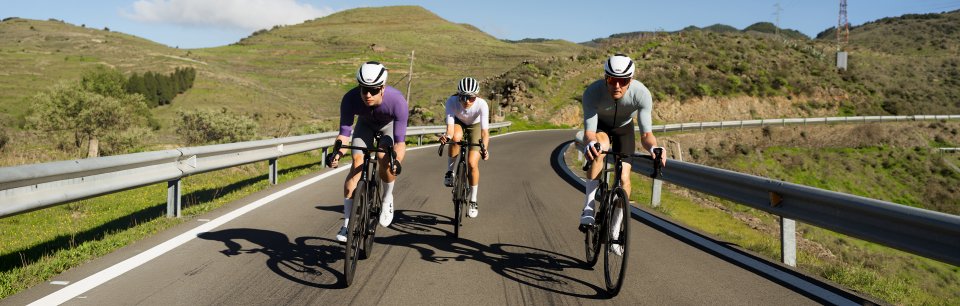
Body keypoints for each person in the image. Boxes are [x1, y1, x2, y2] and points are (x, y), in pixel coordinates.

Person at [580, 54, 667, 254]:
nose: (617, 85)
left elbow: (647, 134)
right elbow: (589, 133)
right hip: (600, 127)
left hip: (624, 130)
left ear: (631, 80)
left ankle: (614, 231)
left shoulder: (641, 94)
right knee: (599, 147)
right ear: (605, 78)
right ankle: (589, 207)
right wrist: (590, 143)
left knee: (625, 178)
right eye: (612, 80)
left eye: (623, 81)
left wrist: (654, 148)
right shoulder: (593, 92)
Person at [328, 61, 408, 242]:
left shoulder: (397, 101)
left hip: (388, 127)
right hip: (365, 125)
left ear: (382, 88)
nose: (368, 95)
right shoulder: (350, 98)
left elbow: (400, 142)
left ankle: (387, 199)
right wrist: (337, 154)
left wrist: (396, 162)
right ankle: (347, 224)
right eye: (364, 89)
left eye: (373, 90)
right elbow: (344, 133)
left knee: (384, 158)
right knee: (357, 162)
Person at [439, 77, 490, 218]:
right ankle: (450, 172)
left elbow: (485, 132)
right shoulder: (451, 101)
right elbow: (450, 129)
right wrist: (446, 137)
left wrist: (484, 149)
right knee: (456, 138)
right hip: (458, 123)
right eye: (463, 97)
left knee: (472, 163)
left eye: (471, 98)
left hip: (475, 125)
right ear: (458, 95)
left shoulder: (482, 105)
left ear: (476, 96)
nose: (466, 101)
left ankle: (473, 200)